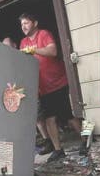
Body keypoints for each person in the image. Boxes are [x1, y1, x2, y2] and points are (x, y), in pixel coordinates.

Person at [18, 13, 84, 162]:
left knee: (69, 116)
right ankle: (58, 149)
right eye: (22, 24)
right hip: (42, 88)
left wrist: (34, 50)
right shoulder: (23, 42)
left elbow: (52, 51)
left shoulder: (44, 34)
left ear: (35, 23)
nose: (24, 27)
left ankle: (86, 141)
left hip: (59, 83)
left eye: (26, 23)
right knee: (49, 120)